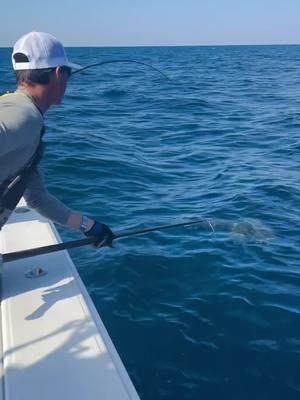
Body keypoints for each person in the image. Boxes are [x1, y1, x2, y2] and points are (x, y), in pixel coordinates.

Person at [0, 31, 114, 247]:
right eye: (69, 75)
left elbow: (37, 197)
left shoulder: (21, 114)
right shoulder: (25, 116)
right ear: (59, 73)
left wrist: (89, 226)